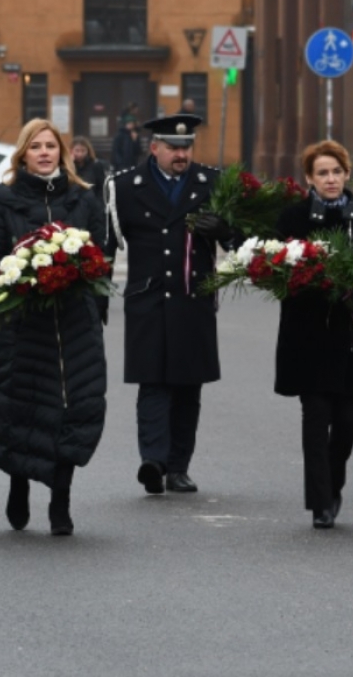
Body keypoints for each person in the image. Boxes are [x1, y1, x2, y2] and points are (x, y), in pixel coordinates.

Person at [0, 119, 109, 535]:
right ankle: (18, 484)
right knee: (20, 409)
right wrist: (27, 271)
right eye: (36, 146)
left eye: (51, 145)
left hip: (72, 328)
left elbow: (100, 256)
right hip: (19, 326)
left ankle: (61, 500)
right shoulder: (4, 199)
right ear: (23, 154)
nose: (45, 152)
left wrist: (79, 276)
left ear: (63, 153)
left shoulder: (84, 199)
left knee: (71, 409)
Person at [103, 113, 233, 495]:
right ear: (154, 147)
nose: (181, 154)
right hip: (148, 300)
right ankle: (153, 460)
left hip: (194, 300)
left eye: (186, 147)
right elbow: (105, 248)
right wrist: (97, 297)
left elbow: (243, 242)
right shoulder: (125, 186)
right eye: (173, 147)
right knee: (153, 383)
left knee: (188, 387)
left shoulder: (213, 183)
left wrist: (224, 230)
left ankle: (178, 467)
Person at [272, 140, 353, 529]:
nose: (331, 179)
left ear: (346, 174)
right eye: (322, 173)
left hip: (351, 333)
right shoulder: (293, 217)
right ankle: (320, 502)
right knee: (315, 417)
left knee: (349, 421)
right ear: (310, 178)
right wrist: (307, 280)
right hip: (307, 335)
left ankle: (333, 484)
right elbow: (278, 267)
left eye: (336, 171)